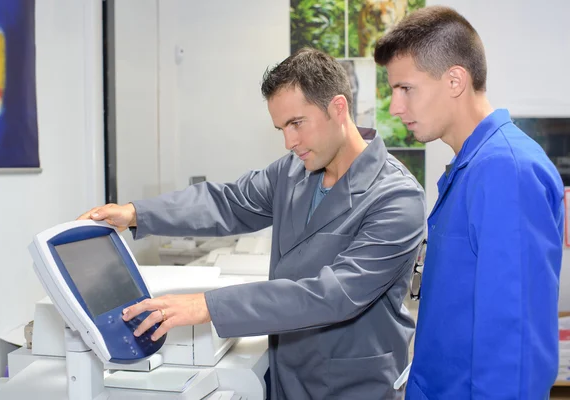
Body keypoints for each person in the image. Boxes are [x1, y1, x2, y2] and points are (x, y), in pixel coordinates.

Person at [80, 48, 426, 399]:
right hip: (287, 373)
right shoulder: (291, 173)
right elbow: (226, 202)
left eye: (296, 123)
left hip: (352, 384)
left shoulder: (396, 197)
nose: (289, 142)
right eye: (281, 128)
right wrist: (136, 213)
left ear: (338, 108)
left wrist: (207, 305)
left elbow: (332, 294)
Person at [374, 6, 564, 399]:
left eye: (405, 88)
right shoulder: (471, 166)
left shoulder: (505, 172)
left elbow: (514, 352)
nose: (395, 107)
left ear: (455, 80)